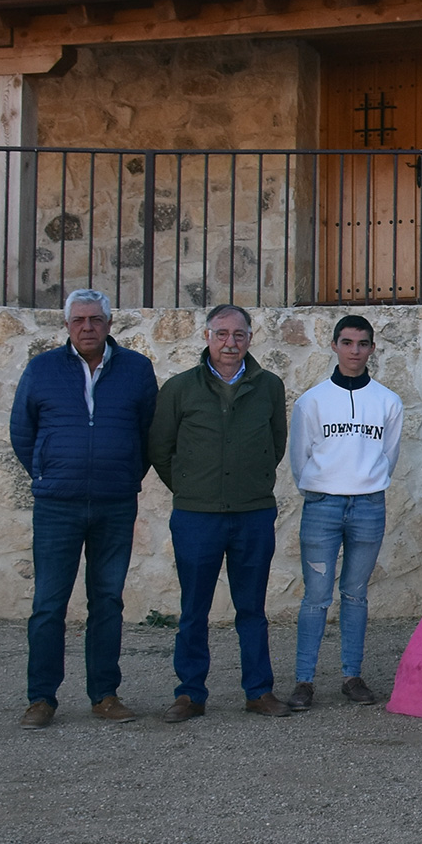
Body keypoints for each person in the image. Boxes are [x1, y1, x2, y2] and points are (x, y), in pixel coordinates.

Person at [11, 290, 158, 729]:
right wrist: (47, 473)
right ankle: (41, 698)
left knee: (108, 601)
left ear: (110, 323)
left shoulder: (136, 369)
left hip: (115, 503)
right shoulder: (42, 369)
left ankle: (105, 695)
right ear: (67, 325)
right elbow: (23, 431)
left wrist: (127, 474)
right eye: (79, 320)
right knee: (49, 603)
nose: (87, 327)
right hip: (57, 505)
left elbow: (149, 433)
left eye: (96, 319)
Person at [150, 304, 290, 721]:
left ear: (250, 338)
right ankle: (190, 693)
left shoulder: (269, 386)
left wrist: (251, 482)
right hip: (197, 516)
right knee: (194, 607)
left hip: (252, 513)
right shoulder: (179, 388)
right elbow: (160, 448)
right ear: (207, 336)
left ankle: (258, 692)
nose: (231, 343)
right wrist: (193, 487)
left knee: (252, 608)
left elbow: (276, 443)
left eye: (239, 335)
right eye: (222, 334)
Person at [286, 314, 403, 710]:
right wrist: (324, 487)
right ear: (334, 345)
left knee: (355, 595)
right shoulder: (312, 401)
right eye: (348, 342)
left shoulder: (388, 401)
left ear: (372, 349)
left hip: (369, 505)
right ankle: (305, 680)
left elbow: (389, 456)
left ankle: (352, 675)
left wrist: (363, 484)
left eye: (363, 343)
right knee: (316, 597)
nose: (355, 351)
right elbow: (299, 459)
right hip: (322, 505)